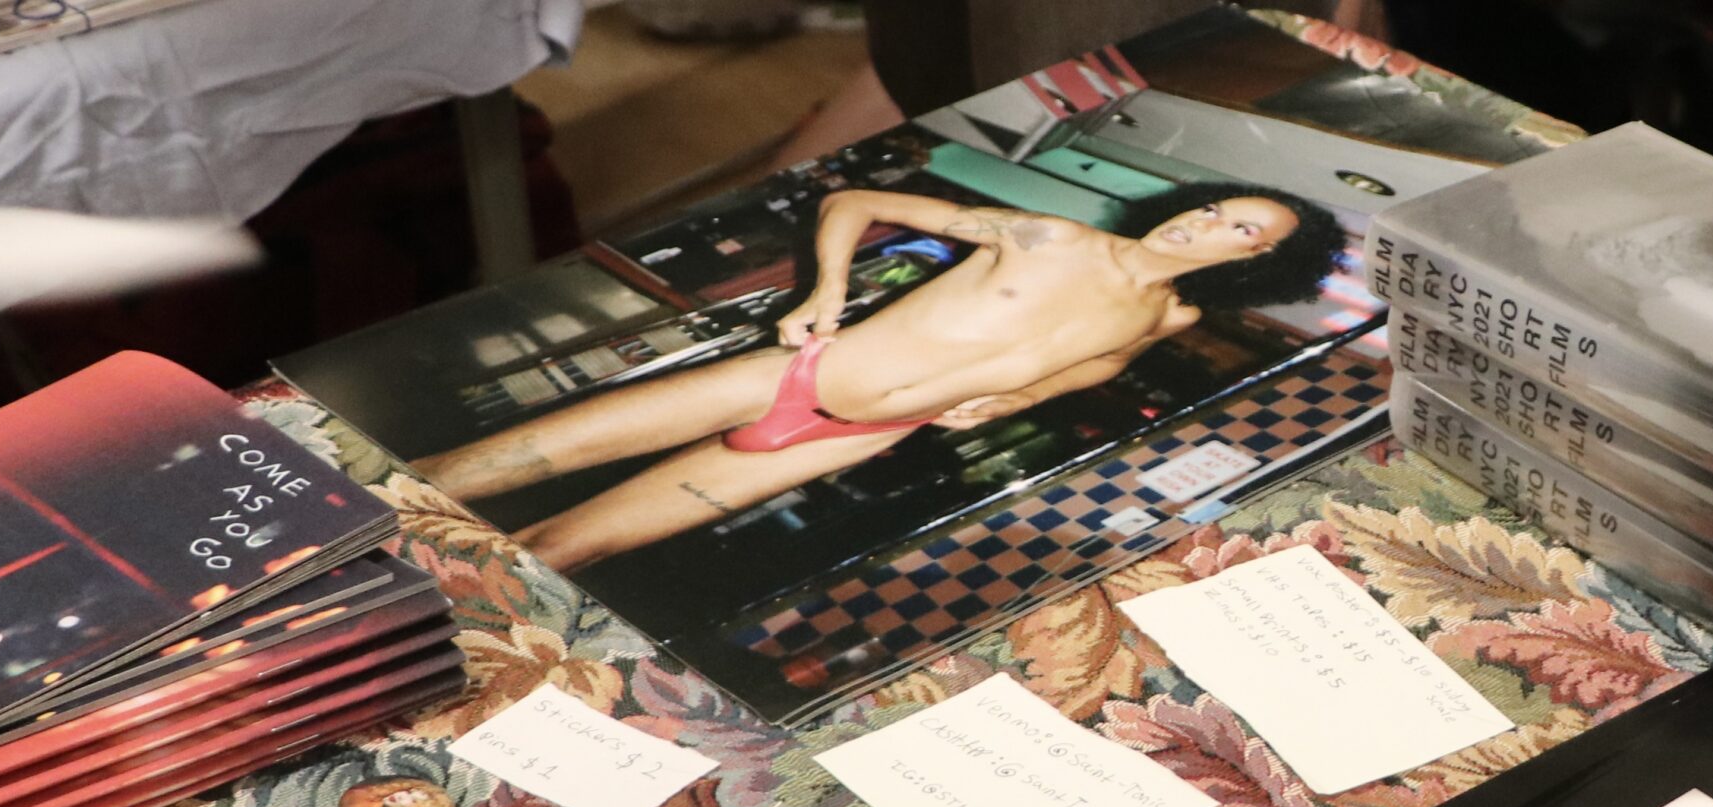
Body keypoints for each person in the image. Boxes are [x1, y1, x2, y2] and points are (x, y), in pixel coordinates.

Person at [413, 181, 1346, 572]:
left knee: (562, 552)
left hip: (851, 437)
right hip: (792, 373)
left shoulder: (1166, 316)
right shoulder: (1050, 233)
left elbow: (1100, 365)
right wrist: (824, 292)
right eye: (1219, 205)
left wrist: (1018, 398)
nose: (1207, 223)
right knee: (481, 468)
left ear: (1254, 262)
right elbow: (855, 200)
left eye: (1239, 229)